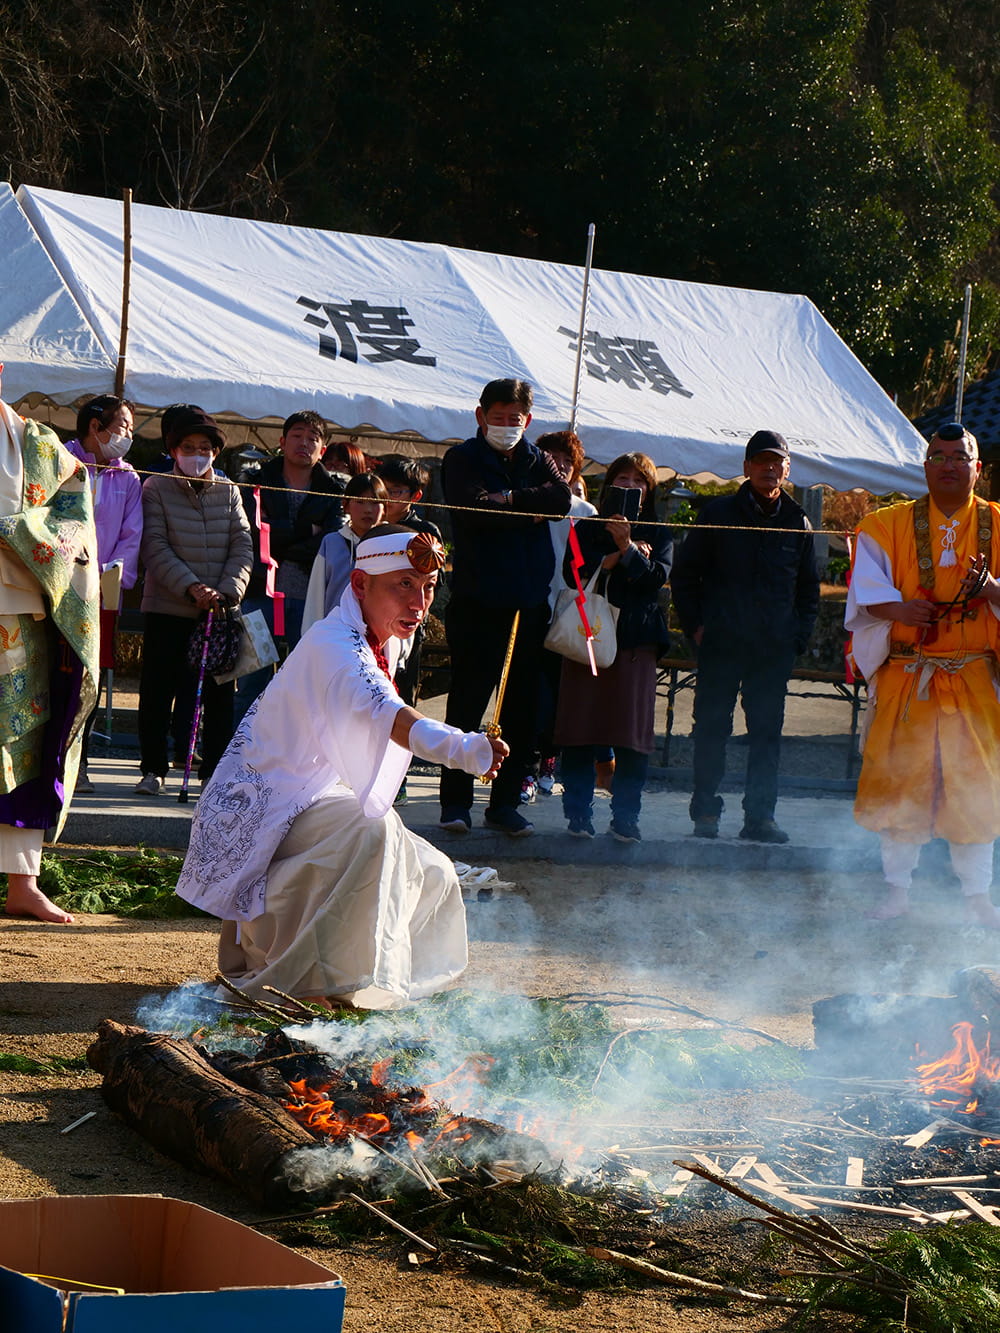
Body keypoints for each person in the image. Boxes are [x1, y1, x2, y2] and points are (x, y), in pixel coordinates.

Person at [175, 525, 507, 1007]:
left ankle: (367, 982)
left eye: (429, 587)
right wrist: (462, 749)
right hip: (261, 812)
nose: (419, 603)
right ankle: (301, 979)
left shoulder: (382, 639)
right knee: (376, 832)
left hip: (305, 799)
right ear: (359, 585)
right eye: (403, 585)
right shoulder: (335, 643)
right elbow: (384, 712)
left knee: (432, 871)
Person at [847, 422, 1000, 926]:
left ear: (978, 467)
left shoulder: (998, 523)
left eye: (960, 456)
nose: (950, 464)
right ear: (925, 465)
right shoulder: (884, 525)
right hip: (910, 677)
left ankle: (978, 898)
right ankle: (896, 894)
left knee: (977, 789)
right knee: (903, 788)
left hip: (975, 679)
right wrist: (898, 611)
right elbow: (865, 592)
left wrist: (993, 590)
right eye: (939, 456)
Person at [671, 430, 820, 844]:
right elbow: (684, 576)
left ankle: (760, 818)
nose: (770, 468)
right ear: (747, 467)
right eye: (762, 461)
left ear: (788, 469)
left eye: (778, 462)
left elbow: (809, 588)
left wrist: (798, 636)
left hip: (773, 649)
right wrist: (696, 626)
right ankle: (705, 813)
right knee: (711, 729)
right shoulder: (717, 512)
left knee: (767, 734)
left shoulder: (798, 522)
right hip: (720, 642)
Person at [439, 378, 572, 835]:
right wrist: (522, 511)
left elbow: (561, 500)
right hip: (478, 599)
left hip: (529, 601)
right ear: (481, 416)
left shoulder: (538, 458)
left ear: (528, 421)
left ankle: (504, 803)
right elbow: (474, 509)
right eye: (499, 417)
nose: (507, 426)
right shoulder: (462, 458)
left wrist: (511, 500)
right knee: (468, 702)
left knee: (521, 708)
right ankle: (455, 803)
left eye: (515, 419)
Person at [0, 365, 99, 923]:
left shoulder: (40, 446)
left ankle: (22, 883)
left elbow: (71, 519)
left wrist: (16, 531)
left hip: (17, 613)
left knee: (22, 744)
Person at [554, 452, 672, 841]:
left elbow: (655, 580)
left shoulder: (659, 531)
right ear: (609, 487)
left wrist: (632, 552)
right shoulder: (586, 527)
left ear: (649, 492)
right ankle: (578, 814)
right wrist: (616, 553)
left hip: (636, 639)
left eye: (639, 482)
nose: (630, 488)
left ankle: (626, 817)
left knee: (631, 735)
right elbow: (573, 573)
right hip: (586, 636)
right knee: (581, 729)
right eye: (622, 480)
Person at [135, 409, 252, 794]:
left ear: (216, 453)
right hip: (169, 607)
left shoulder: (230, 490)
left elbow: (243, 545)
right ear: (174, 449)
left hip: (218, 611)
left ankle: (211, 774)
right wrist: (191, 587)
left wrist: (225, 590)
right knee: (158, 691)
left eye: (206, 448)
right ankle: (153, 768)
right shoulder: (155, 487)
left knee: (217, 697)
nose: (198, 454)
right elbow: (154, 545)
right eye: (189, 447)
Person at [234, 410, 344, 721]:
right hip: (257, 594)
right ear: (282, 441)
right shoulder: (254, 481)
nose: (304, 443)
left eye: (313, 438)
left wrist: (277, 532)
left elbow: (330, 542)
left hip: (311, 598)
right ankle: (238, 758)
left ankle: (290, 762)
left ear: (322, 449)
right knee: (251, 682)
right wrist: (306, 531)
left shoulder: (334, 491)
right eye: (297, 435)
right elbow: (252, 535)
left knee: (304, 684)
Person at [64, 394, 143, 792]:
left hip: (102, 595)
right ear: (96, 427)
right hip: (59, 587)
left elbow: (131, 537)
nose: (128, 435)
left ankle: (80, 762)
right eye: (123, 426)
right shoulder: (60, 461)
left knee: (89, 679)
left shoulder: (128, 479)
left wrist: (107, 577)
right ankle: (50, 760)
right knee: (56, 674)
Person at [535, 430, 598, 797]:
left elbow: (590, 565)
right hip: (530, 603)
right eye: (552, 459)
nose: (560, 467)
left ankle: (548, 760)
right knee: (529, 692)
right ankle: (524, 764)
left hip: (569, 609)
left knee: (559, 693)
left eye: (567, 462)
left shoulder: (585, 511)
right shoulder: (530, 502)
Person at [302, 471, 387, 630]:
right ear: (346, 505)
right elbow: (316, 594)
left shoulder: (391, 546)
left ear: (385, 508)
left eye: (375, 502)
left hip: (378, 631)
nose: (368, 509)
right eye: (360, 501)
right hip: (334, 632)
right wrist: (311, 634)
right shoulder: (331, 543)